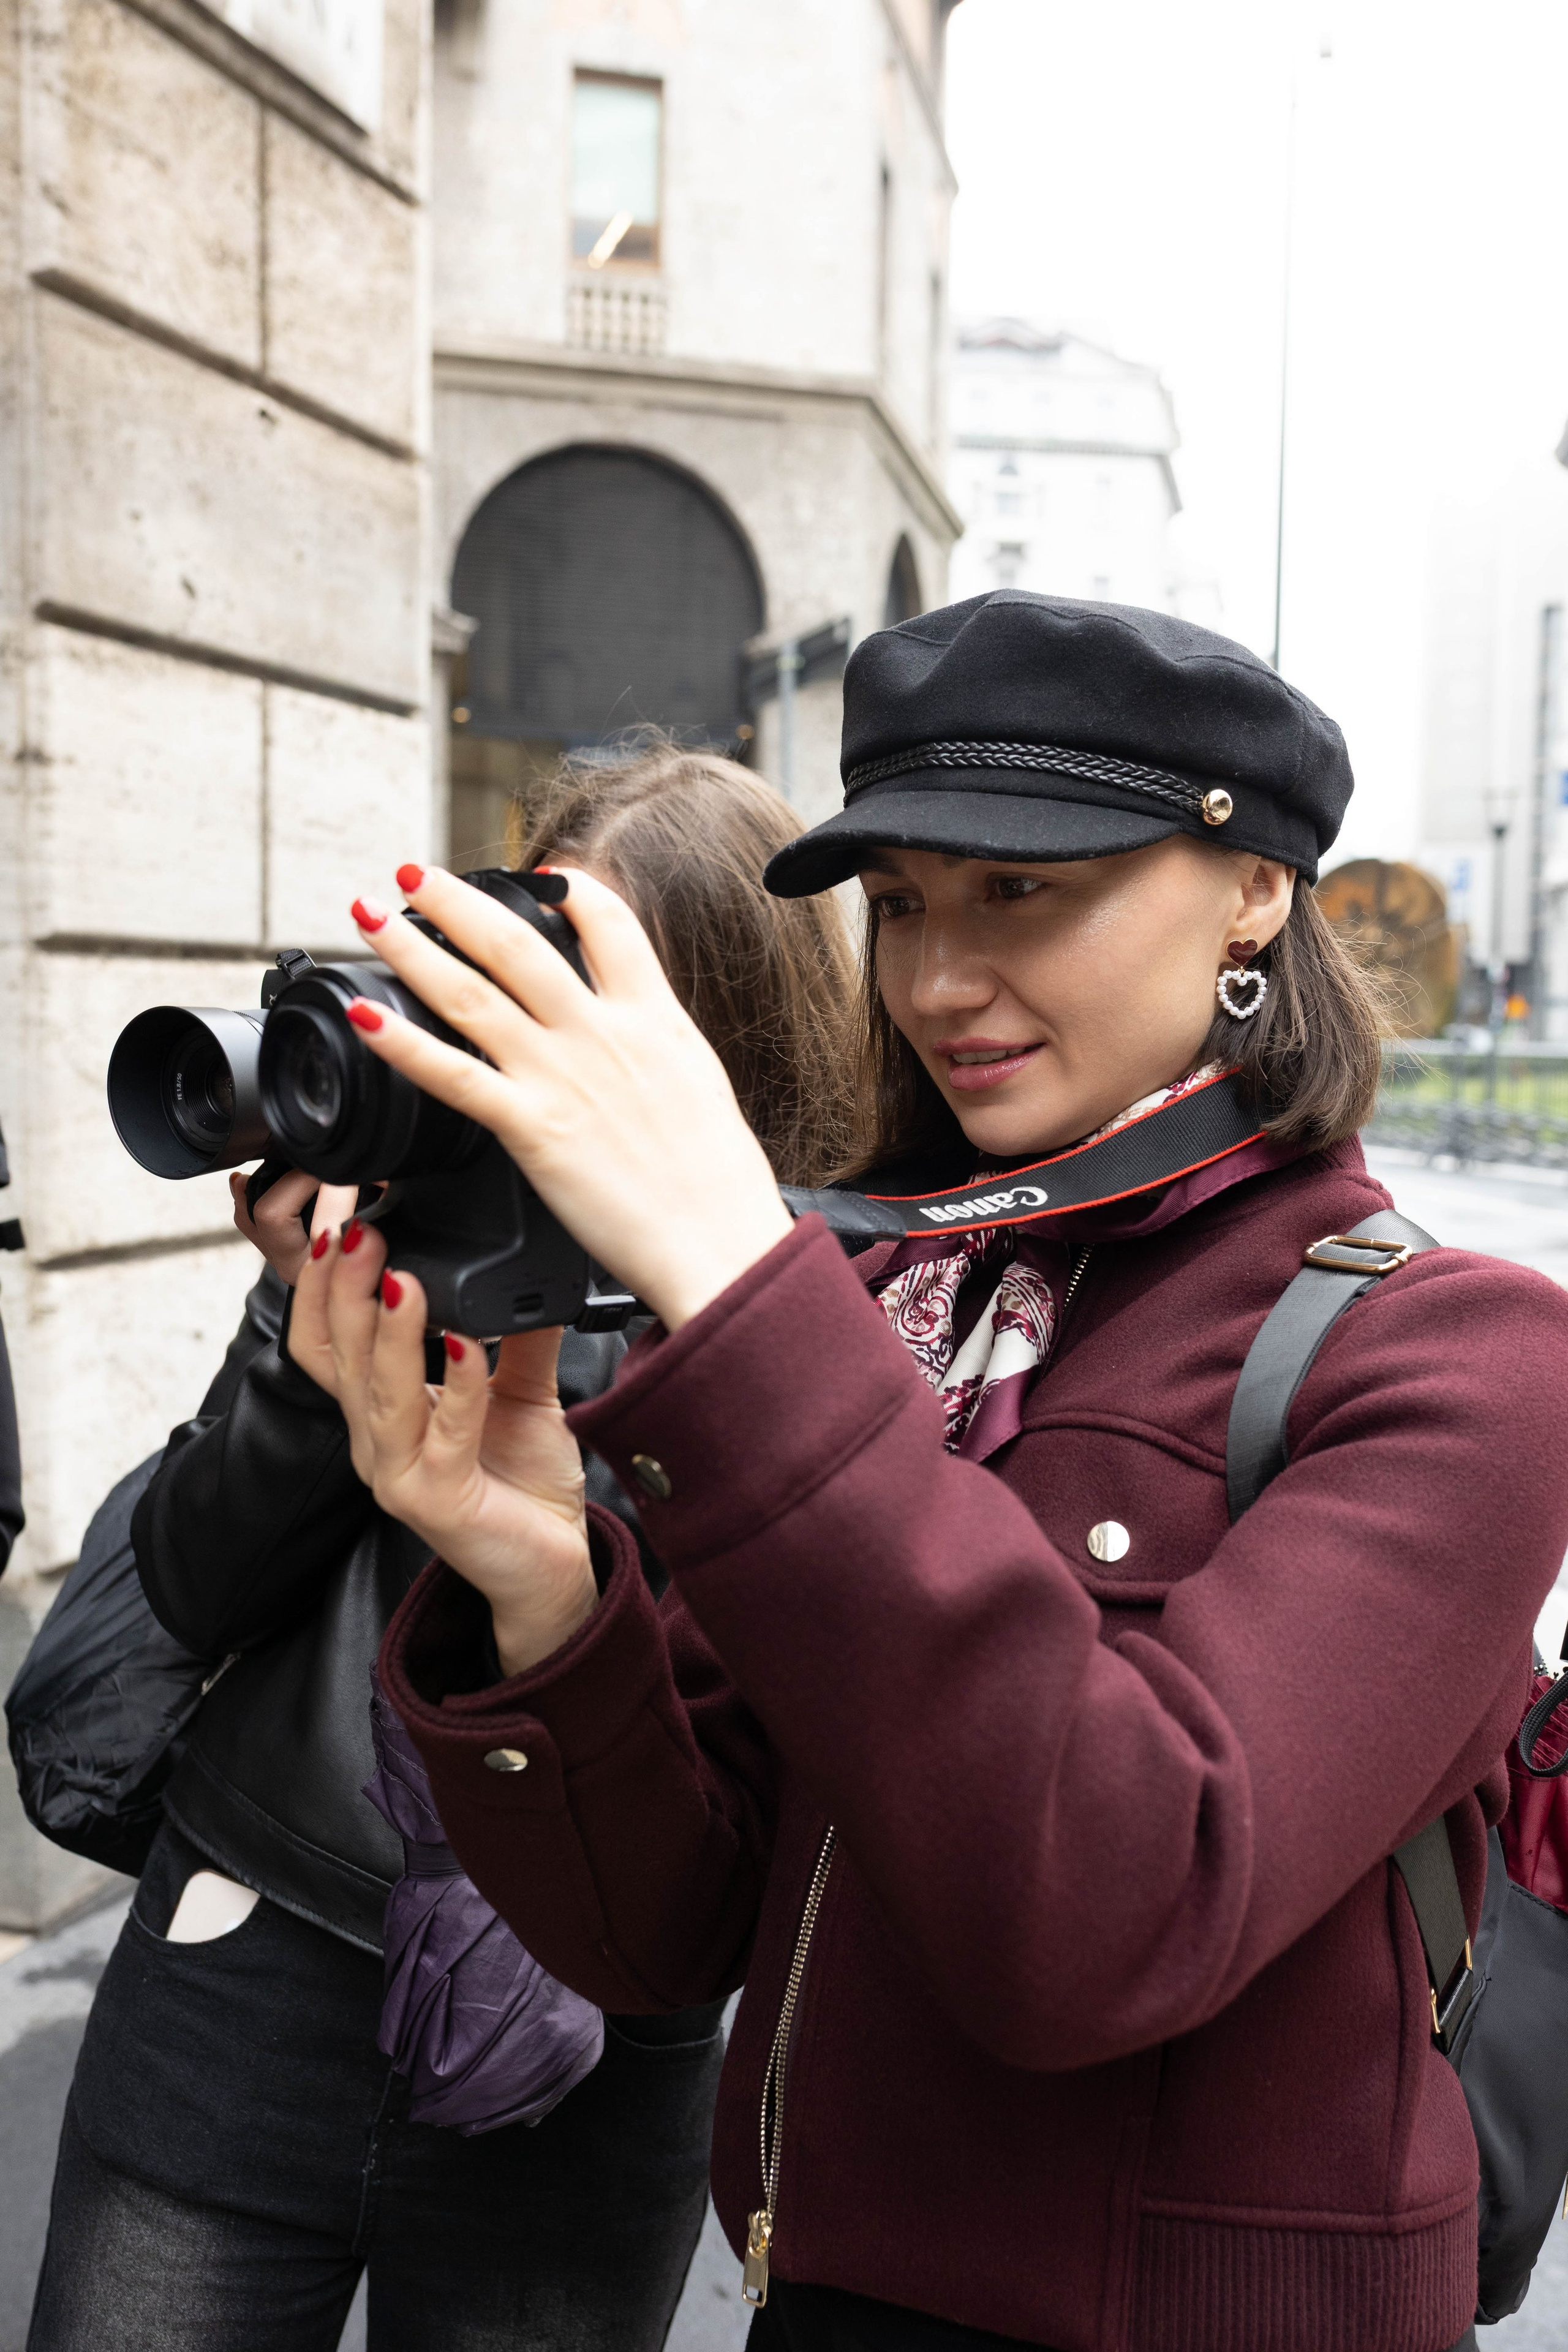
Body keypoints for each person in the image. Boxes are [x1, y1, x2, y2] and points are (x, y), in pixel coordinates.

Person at [307, 591, 1568, 2352]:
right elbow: (669, 1930)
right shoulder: (898, 1300)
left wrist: (737, 1286)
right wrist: (536, 1580)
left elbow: (1122, 1909)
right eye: (900, 904)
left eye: (1020, 891)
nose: (935, 983)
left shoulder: (1461, 1352)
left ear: (1257, 890)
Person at [27, 746, 859, 2352]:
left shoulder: (815, 1291)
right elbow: (197, 1582)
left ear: (717, 1032)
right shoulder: (420, 1202)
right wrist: (303, 1329)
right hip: (258, 1932)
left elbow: (758, 1712)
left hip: (595, 2020)